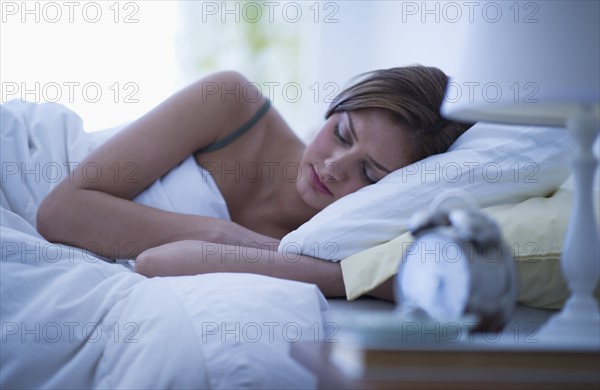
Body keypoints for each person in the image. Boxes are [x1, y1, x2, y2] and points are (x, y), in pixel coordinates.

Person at [36, 66, 472, 299]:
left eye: (370, 174)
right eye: (341, 133)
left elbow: (415, 284)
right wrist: (224, 235)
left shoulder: (345, 248)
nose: (336, 166)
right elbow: (59, 211)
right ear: (334, 107)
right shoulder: (232, 103)